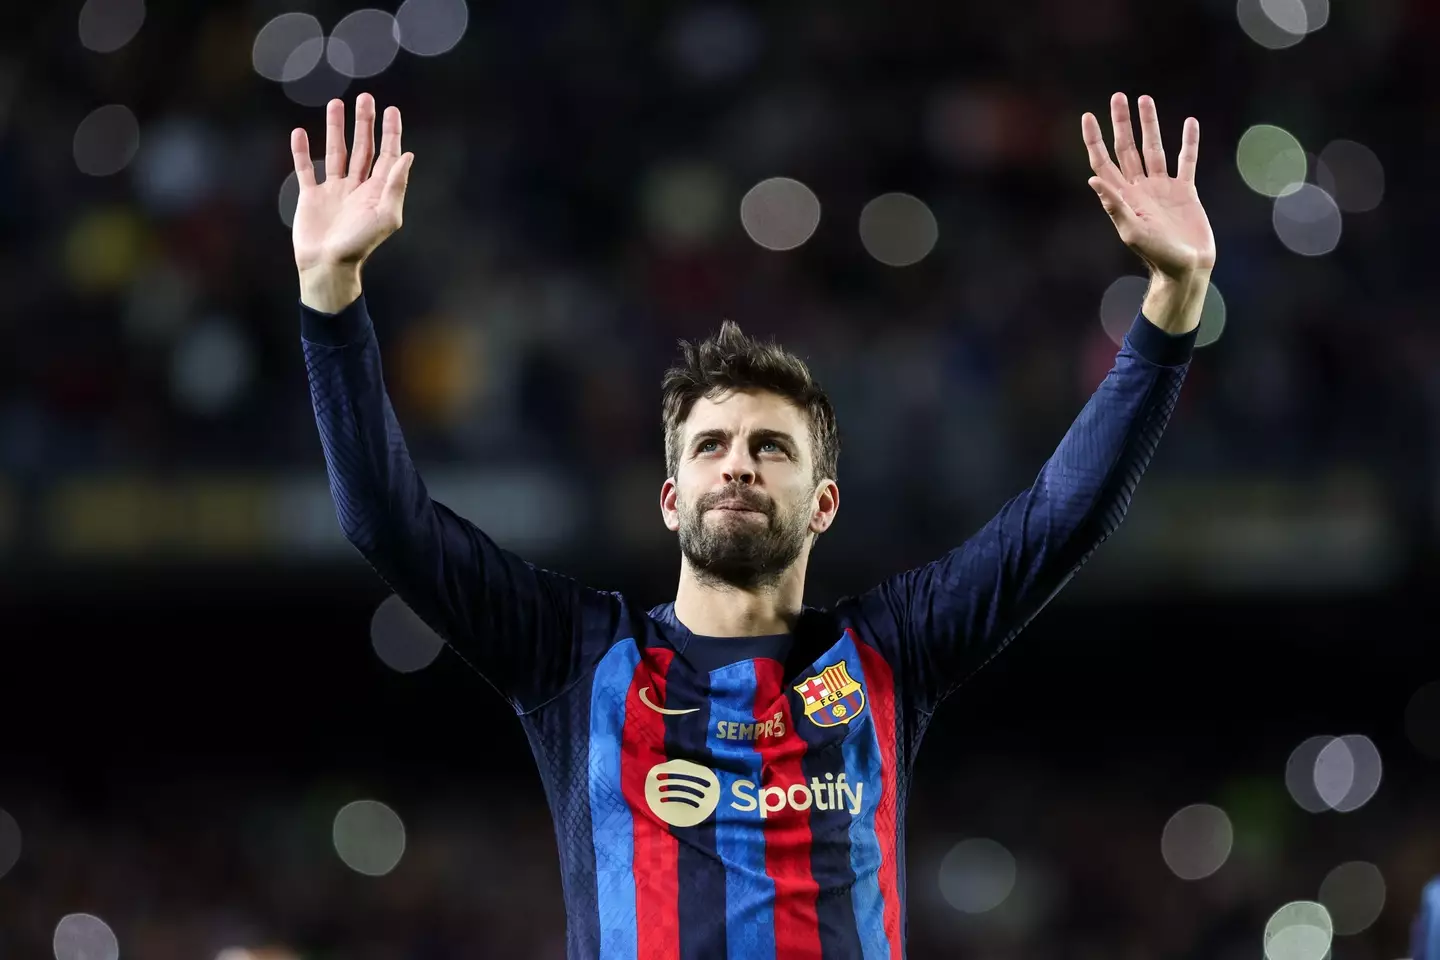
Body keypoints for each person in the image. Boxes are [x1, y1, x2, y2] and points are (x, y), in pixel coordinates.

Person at [290, 90, 1215, 960]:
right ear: (670, 497)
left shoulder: (890, 653)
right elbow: (385, 522)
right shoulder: (575, 657)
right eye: (710, 446)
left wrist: (1172, 303)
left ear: (823, 503)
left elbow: (1064, 513)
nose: (736, 462)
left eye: (771, 447)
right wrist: (331, 295)